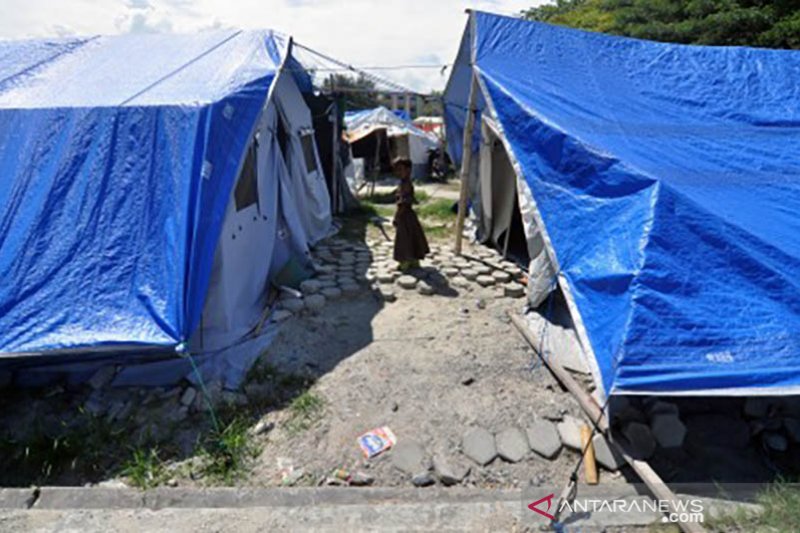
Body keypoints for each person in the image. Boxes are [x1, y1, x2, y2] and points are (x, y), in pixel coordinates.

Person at [392, 157, 430, 271]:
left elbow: (403, 203)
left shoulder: (406, 184)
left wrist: (397, 217)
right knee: (412, 237)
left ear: (408, 170)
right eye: (396, 170)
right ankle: (414, 260)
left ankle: (405, 262)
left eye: (401, 169)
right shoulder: (404, 182)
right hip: (410, 215)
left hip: (405, 215)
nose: (398, 172)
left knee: (403, 239)